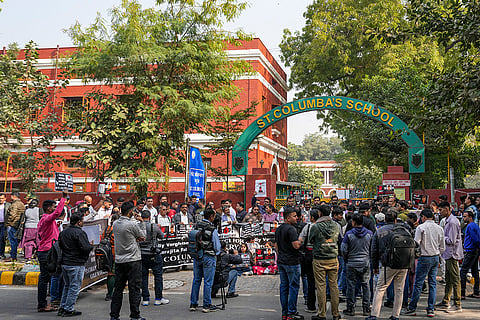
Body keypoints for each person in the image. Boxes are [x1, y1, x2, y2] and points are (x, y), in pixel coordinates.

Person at [402, 209, 445, 317]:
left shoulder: (421, 228)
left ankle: (412, 308)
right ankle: (430, 309)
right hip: (435, 257)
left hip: (424, 257)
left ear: (424, 217)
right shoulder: (439, 228)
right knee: (432, 284)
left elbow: (416, 243)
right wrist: (437, 253)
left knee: (418, 284)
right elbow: (442, 246)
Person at [367, 208, 409, 320]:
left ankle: (374, 314)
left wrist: (374, 266)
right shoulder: (405, 230)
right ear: (396, 219)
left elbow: (374, 250)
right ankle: (396, 315)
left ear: (385, 219)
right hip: (404, 263)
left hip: (387, 264)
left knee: (380, 288)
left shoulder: (380, 231)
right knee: (399, 290)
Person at [110, 201, 146, 320]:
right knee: (134, 288)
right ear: (131, 211)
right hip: (133, 260)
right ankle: (135, 315)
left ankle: (114, 316)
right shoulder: (132, 225)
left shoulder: (115, 223)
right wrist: (142, 222)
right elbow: (143, 236)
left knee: (118, 289)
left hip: (120, 260)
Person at [37, 191, 68, 312]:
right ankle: (42, 304)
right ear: (49, 209)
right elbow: (56, 213)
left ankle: (45, 303)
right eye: (54, 207)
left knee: (48, 277)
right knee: (45, 278)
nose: (56, 209)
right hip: (47, 251)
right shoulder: (46, 219)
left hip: (47, 250)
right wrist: (63, 198)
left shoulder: (46, 220)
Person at [57, 212, 92, 317]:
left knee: (67, 286)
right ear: (79, 222)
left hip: (65, 262)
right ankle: (68, 308)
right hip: (76, 263)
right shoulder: (79, 233)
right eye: (82, 221)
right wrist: (90, 246)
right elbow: (85, 248)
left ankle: (63, 307)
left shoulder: (64, 232)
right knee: (74, 287)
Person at [309, 204, 341, 320]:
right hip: (333, 257)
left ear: (319, 214)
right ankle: (336, 313)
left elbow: (310, 240)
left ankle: (322, 313)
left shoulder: (316, 227)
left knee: (321, 286)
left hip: (319, 258)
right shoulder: (336, 225)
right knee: (334, 286)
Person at [189, 207, 221, 313]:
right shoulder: (212, 229)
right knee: (208, 282)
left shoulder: (196, 225)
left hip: (197, 255)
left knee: (196, 280)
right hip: (209, 256)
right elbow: (217, 246)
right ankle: (207, 305)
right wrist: (217, 254)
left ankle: (193, 303)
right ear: (211, 217)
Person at [341, 213, 373, 317]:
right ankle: (366, 308)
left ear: (353, 222)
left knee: (351, 286)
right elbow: (373, 248)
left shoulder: (349, 234)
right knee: (366, 285)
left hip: (352, 263)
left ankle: (350, 308)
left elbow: (344, 249)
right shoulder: (369, 233)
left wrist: (346, 258)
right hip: (365, 262)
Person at [275, 207, 303, 320]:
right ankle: (291, 312)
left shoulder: (279, 229)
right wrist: (301, 240)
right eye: (294, 216)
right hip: (291, 262)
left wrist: (281, 254)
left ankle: (284, 313)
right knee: (293, 286)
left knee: (284, 287)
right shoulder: (291, 230)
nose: (297, 218)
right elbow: (296, 245)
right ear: (288, 218)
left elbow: (276, 246)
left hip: (281, 261)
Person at [435, 201, 463, 313]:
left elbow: (451, 240)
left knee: (455, 278)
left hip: (452, 253)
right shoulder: (448, 221)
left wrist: (441, 237)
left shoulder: (452, 222)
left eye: (441, 210)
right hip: (448, 253)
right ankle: (446, 300)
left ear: (447, 209)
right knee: (449, 278)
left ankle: (457, 303)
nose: (439, 212)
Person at [139, 210, 169, 306]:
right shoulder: (154, 226)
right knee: (158, 276)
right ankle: (158, 298)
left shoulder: (137, 226)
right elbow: (161, 236)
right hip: (153, 253)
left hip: (142, 254)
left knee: (143, 277)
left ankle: (145, 299)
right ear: (150, 216)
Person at [298, 208, 320, 314]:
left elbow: (301, 240)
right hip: (322, 255)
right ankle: (322, 305)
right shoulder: (323, 227)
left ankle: (311, 305)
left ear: (311, 217)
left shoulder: (308, 227)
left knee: (311, 281)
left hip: (309, 255)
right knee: (322, 282)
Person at [459, 207, 480, 299]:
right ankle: (476, 291)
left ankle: (462, 293)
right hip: (474, 250)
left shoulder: (470, 226)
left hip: (471, 250)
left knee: (463, 271)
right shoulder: (475, 225)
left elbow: (475, 239)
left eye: (465, 216)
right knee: (475, 271)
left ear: (470, 217)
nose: (463, 218)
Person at [5, 192, 24, 262]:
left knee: (12, 241)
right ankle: (13, 255)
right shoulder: (21, 204)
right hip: (18, 225)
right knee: (15, 241)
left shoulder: (15, 204)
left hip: (12, 224)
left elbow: (12, 214)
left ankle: (13, 256)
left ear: (13, 196)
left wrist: (8, 223)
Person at [0, 194, 11, 259]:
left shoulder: (8, 205)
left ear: (5, 199)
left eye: (2, 198)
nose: (1, 200)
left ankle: (1, 253)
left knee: (2, 238)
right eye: (0, 198)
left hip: (4, 224)